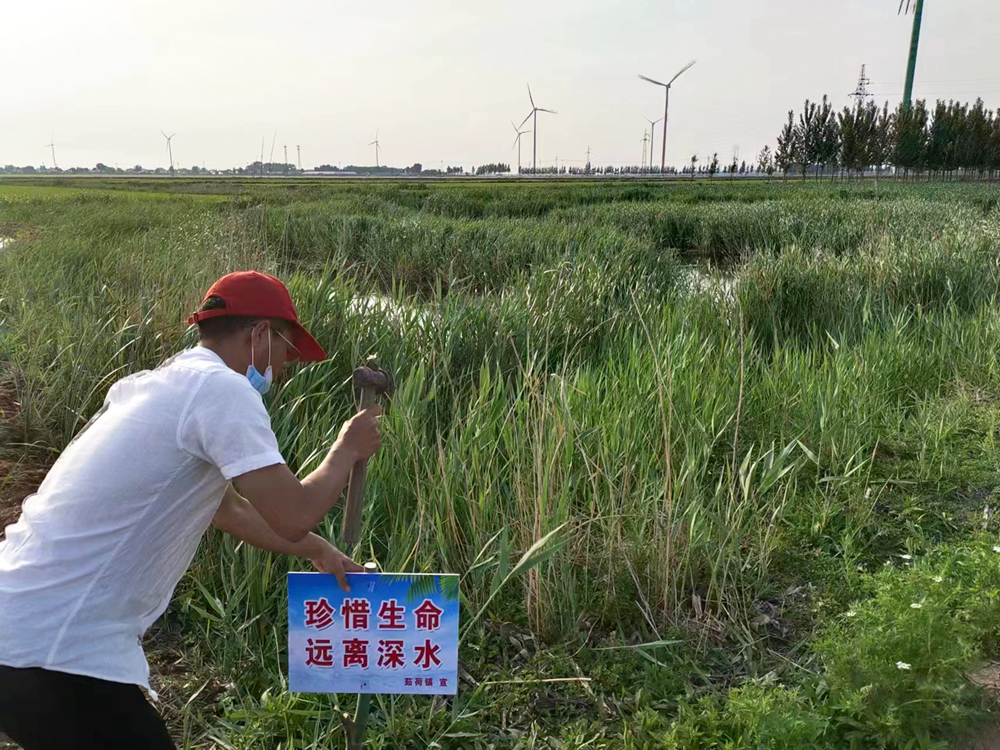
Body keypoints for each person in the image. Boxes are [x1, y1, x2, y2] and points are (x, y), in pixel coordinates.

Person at [0, 271, 381, 749]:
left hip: (21, 624)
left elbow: (232, 513)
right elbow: (294, 513)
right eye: (286, 351)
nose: (284, 369)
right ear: (260, 334)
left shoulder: (156, 385)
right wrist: (345, 451)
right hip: (56, 646)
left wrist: (318, 551)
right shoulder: (221, 390)